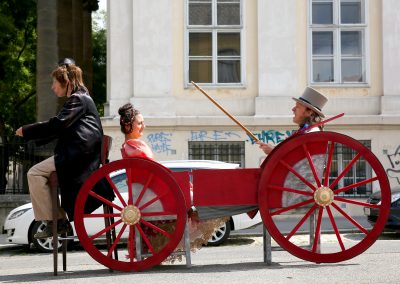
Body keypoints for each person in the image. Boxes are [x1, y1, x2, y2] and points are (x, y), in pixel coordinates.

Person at [118, 103, 227, 262]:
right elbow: (156, 170)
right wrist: (181, 182)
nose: (143, 126)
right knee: (197, 197)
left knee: (193, 194)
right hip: (154, 196)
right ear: (128, 125)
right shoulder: (135, 145)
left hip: (149, 193)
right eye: (140, 123)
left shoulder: (129, 146)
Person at [15, 58, 104, 239]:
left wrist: (27, 131)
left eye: (55, 83)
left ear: (67, 83)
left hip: (77, 156)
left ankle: (54, 221)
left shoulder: (77, 99)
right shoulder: (82, 99)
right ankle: (57, 219)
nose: (53, 87)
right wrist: (32, 136)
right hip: (80, 154)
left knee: (34, 173)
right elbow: (59, 127)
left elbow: (57, 124)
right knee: (39, 174)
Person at [257, 86, 328, 155]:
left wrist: (273, 151)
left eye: (297, 107)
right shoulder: (306, 131)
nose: (293, 109)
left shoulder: (312, 133)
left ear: (309, 112)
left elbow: (298, 158)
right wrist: (274, 149)